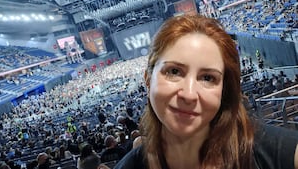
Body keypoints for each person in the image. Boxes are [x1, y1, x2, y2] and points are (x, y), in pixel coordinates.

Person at [114, 14, 298, 169]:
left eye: (208, 78)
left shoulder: (275, 151)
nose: (189, 94)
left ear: (223, 90)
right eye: (174, 71)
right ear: (148, 80)